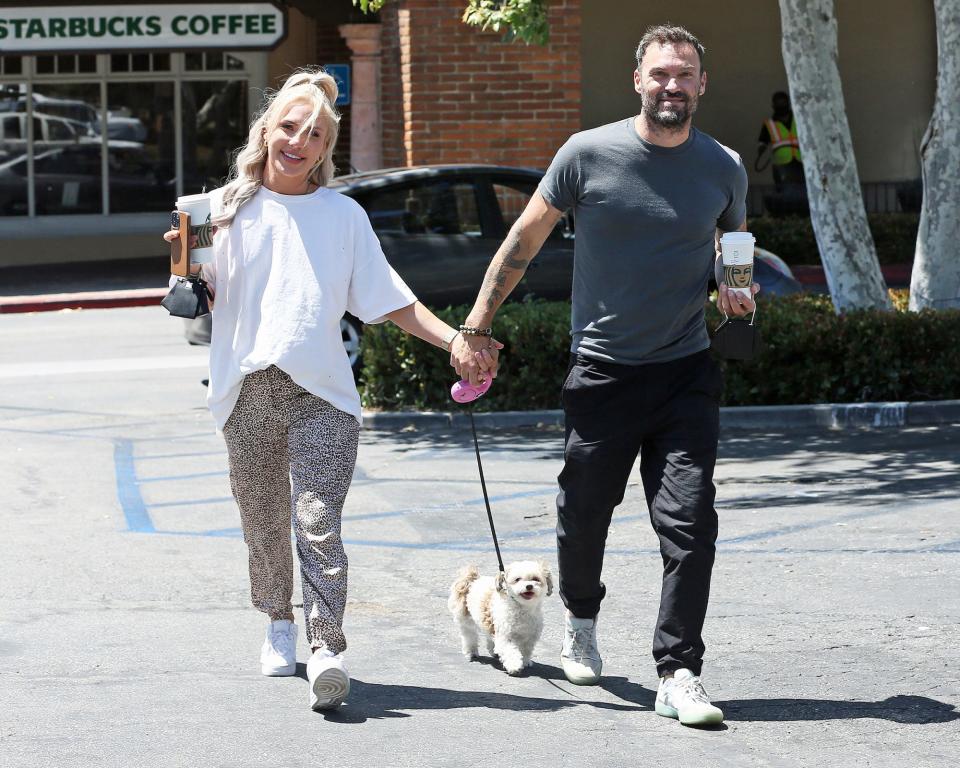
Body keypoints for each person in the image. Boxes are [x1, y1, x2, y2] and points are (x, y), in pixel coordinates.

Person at [163, 68, 498, 712]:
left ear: (326, 147)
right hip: (246, 389)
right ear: (267, 131)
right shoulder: (221, 208)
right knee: (262, 519)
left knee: (318, 523)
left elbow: (388, 300)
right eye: (289, 127)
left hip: (324, 396)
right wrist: (182, 265)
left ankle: (327, 649)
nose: (298, 141)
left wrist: (455, 341)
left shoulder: (342, 215)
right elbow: (194, 293)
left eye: (314, 133)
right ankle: (278, 622)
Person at [451, 24, 756, 728]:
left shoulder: (724, 167)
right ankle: (581, 616)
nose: (672, 86)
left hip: (686, 373)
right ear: (638, 80)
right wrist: (475, 326)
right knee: (583, 517)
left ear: (701, 85)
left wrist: (732, 291)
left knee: (689, 524)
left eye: (684, 74)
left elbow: (730, 254)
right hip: (603, 373)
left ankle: (679, 670)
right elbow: (522, 240)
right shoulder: (586, 155)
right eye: (660, 74)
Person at [757, 90, 804, 189]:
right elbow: (762, 142)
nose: (781, 106)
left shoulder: (798, 119)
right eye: (778, 103)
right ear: (773, 106)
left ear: (788, 103)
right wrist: (761, 149)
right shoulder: (769, 124)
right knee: (787, 191)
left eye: (783, 103)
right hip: (781, 163)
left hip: (801, 160)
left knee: (805, 191)